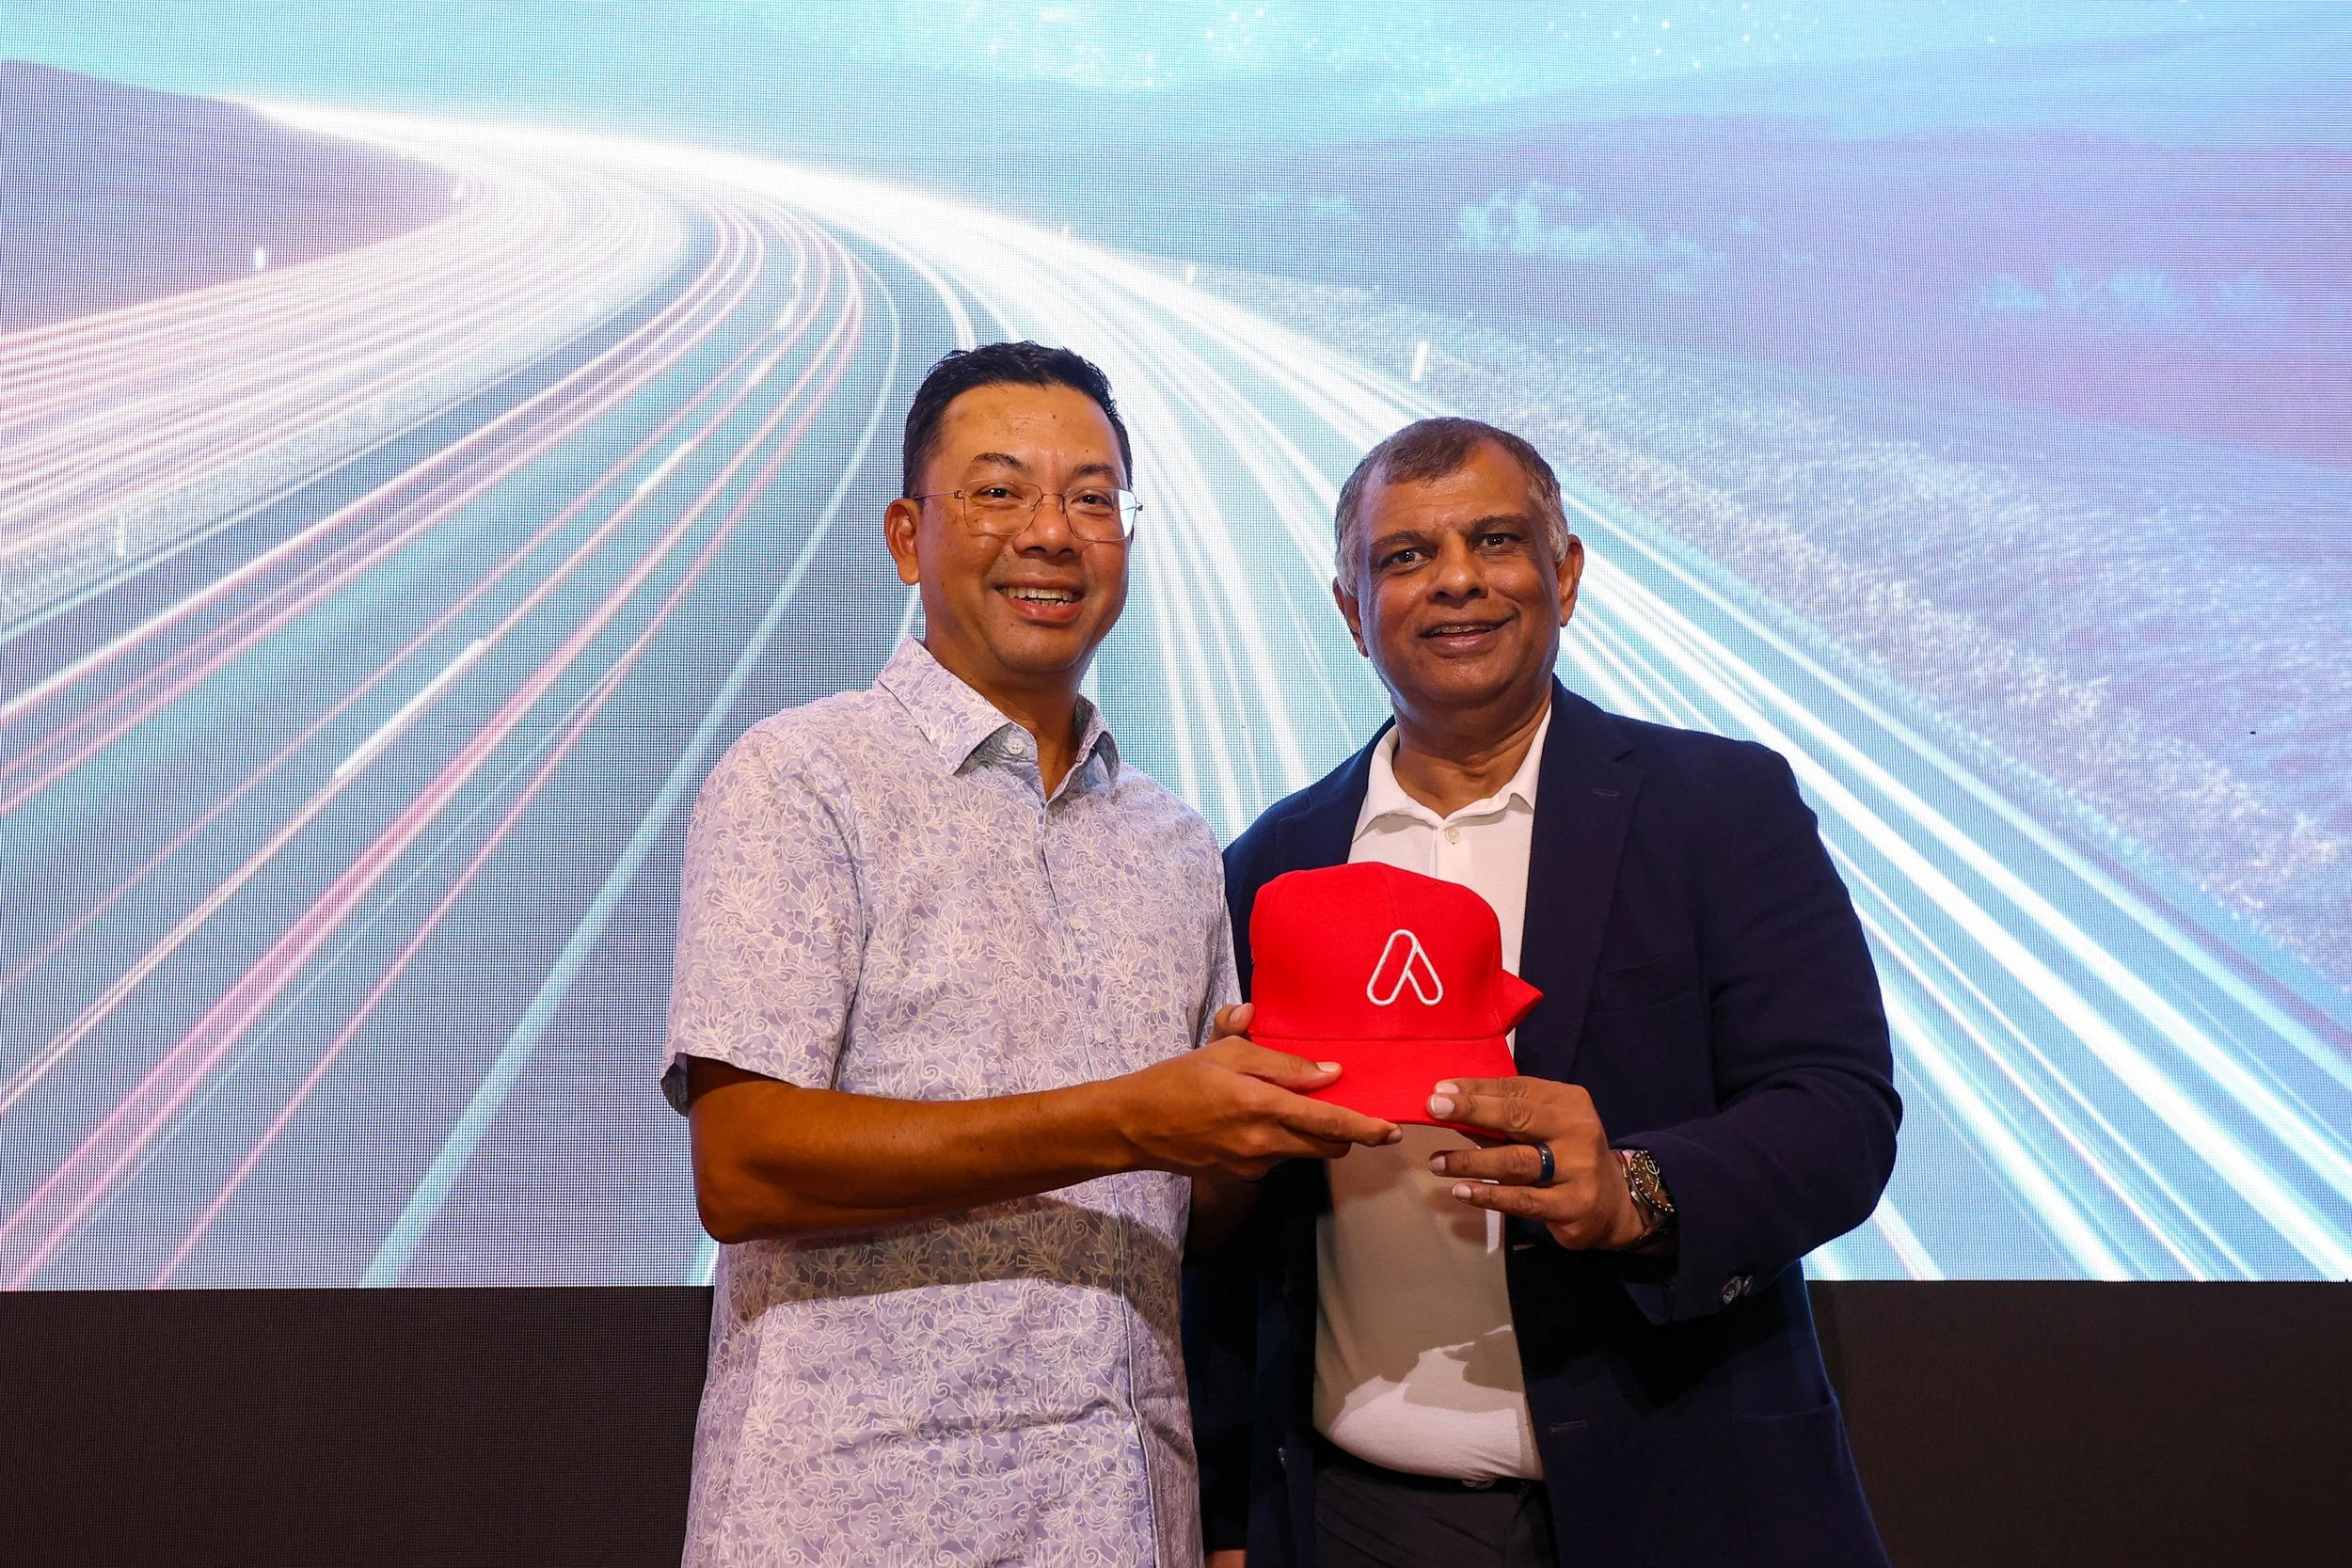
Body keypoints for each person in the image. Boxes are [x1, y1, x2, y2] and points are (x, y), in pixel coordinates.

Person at [662, 341, 1399, 1568]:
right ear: (909, 535)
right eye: (999, 490)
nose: (1052, 531)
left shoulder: (1172, 838)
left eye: (1094, 496)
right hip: (853, 1517)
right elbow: (741, 1164)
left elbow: (1190, 1214)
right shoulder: (799, 778)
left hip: (1126, 1515)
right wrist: (1136, 1115)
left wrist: (1256, 1123)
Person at [1188, 417, 1901, 1567]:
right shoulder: (1272, 864)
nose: (1457, 577)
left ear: (1563, 575)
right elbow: (1228, 1244)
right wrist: (1226, 1519)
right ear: (1348, 606)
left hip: (1684, 1494)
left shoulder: (1721, 807)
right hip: (1366, 1520)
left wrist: (1637, 1188)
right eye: (1405, 555)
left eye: (1495, 539)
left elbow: (1838, 1110)